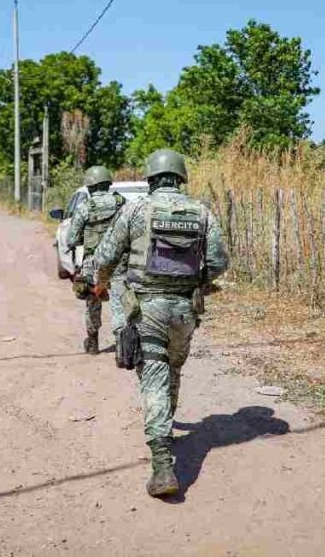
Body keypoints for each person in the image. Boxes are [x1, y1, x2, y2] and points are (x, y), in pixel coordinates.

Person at [94, 149, 229, 497]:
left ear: (151, 178)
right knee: (173, 370)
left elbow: (106, 256)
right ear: (181, 177)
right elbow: (218, 262)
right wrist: (196, 282)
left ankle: (163, 465)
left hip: (147, 308)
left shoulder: (135, 209)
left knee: (153, 376)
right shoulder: (202, 212)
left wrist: (103, 280)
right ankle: (166, 429)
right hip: (184, 309)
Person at [65, 166, 126, 354]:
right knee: (120, 303)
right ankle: (123, 346)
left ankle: (92, 342)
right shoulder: (121, 202)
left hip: (93, 262)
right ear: (108, 183)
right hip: (119, 261)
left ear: (90, 186)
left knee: (93, 301)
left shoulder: (85, 208)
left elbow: (71, 239)